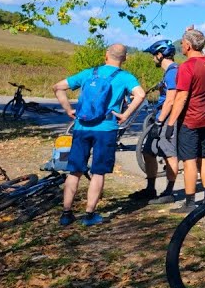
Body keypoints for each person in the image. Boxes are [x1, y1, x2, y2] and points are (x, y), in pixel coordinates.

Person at [52, 44, 145, 225]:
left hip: (82, 126)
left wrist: (68, 109)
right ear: (124, 58)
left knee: (75, 171)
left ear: (105, 55)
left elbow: (58, 87)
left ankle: (66, 213)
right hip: (106, 129)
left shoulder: (88, 73)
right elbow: (140, 95)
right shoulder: (125, 77)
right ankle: (89, 215)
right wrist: (125, 115)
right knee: (98, 172)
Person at [165, 28, 205, 210]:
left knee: (189, 160)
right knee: (204, 157)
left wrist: (171, 122)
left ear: (187, 45)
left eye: (182, 43)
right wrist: (191, 32)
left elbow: (181, 97)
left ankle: (189, 202)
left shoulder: (186, 67)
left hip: (190, 120)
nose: (181, 45)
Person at [133, 40, 179, 202]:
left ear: (160, 55)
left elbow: (171, 100)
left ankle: (169, 192)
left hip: (167, 118)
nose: (153, 59)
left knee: (169, 154)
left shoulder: (173, 71)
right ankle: (150, 189)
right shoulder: (169, 73)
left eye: (154, 55)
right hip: (161, 115)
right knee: (148, 151)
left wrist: (159, 122)